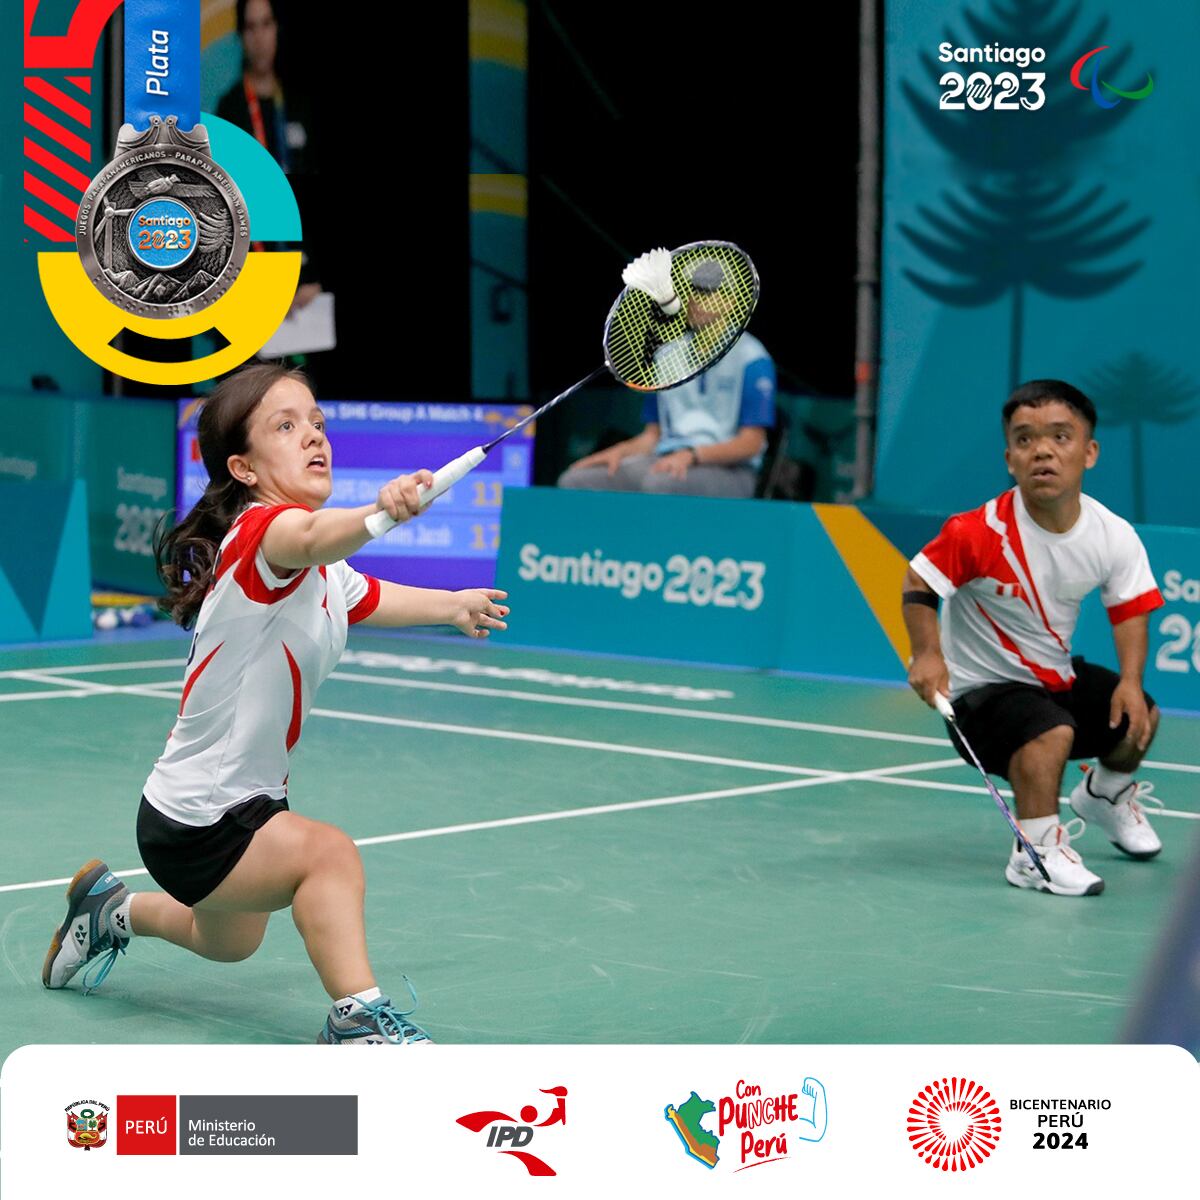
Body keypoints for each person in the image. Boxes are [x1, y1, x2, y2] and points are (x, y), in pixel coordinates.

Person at [42, 362, 510, 1043]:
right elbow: (317, 536)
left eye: (316, 421)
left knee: (228, 941)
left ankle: (109, 910)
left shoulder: (317, 563)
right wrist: (384, 511)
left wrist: (453, 605)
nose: (312, 435)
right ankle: (358, 1024)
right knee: (329, 856)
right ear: (245, 468)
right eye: (286, 427)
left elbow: (366, 595)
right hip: (198, 817)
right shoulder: (266, 536)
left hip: (236, 806)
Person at [902, 379, 1165, 897]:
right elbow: (919, 582)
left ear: (1089, 452)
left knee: (1140, 715)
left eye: (1060, 437)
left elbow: (1130, 609)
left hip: (1053, 677)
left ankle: (1106, 797)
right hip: (981, 694)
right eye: (1025, 440)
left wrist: (1130, 681)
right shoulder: (979, 531)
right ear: (1009, 459)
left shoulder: (1112, 534)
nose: (1042, 450)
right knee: (1050, 731)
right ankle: (1036, 853)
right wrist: (928, 653)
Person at [558, 261, 776, 499]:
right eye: (690, 290)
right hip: (665, 460)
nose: (695, 299)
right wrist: (620, 452)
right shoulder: (667, 356)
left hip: (731, 472)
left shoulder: (753, 358)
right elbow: (653, 436)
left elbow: (751, 443)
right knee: (576, 480)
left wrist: (692, 455)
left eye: (706, 291)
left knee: (660, 483)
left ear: (731, 301)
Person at [217, 0, 322, 317]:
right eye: (250, 27)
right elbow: (223, 208)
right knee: (257, 369)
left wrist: (314, 275)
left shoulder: (301, 104)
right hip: (251, 285)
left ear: (278, 28)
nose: (259, 37)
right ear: (240, 36)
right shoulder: (230, 110)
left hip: (305, 284)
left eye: (266, 24)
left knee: (299, 368)